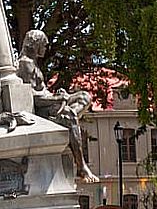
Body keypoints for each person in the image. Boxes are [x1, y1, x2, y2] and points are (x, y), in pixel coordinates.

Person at [17, 29, 98, 183]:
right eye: (44, 45)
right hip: (42, 109)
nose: (46, 48)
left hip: (51, 102)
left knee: (84, 96)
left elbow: (42, 90)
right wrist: (57, 99)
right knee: (70, 115)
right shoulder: (25, 64)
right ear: (36, 44)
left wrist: (58, 95)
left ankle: (67, 123)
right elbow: (30, 97)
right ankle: (82, 165)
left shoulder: (33, 63)